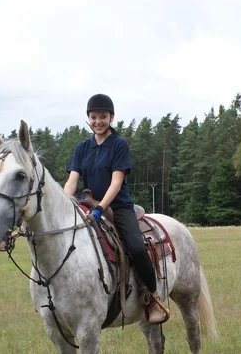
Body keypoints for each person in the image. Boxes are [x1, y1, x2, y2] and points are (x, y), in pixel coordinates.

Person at [64, 93, 170, 325]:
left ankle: (152, 298)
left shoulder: (119, 145)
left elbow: (116, 182)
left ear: (112, 117)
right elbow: (73, 180)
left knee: (136, 247)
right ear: (88, 118)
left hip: (118, 206)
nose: (98, 121)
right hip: (87, 203)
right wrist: (64, 202)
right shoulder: (82, 148)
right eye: (94, 117)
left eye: (103, 116)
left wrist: (102, 207)